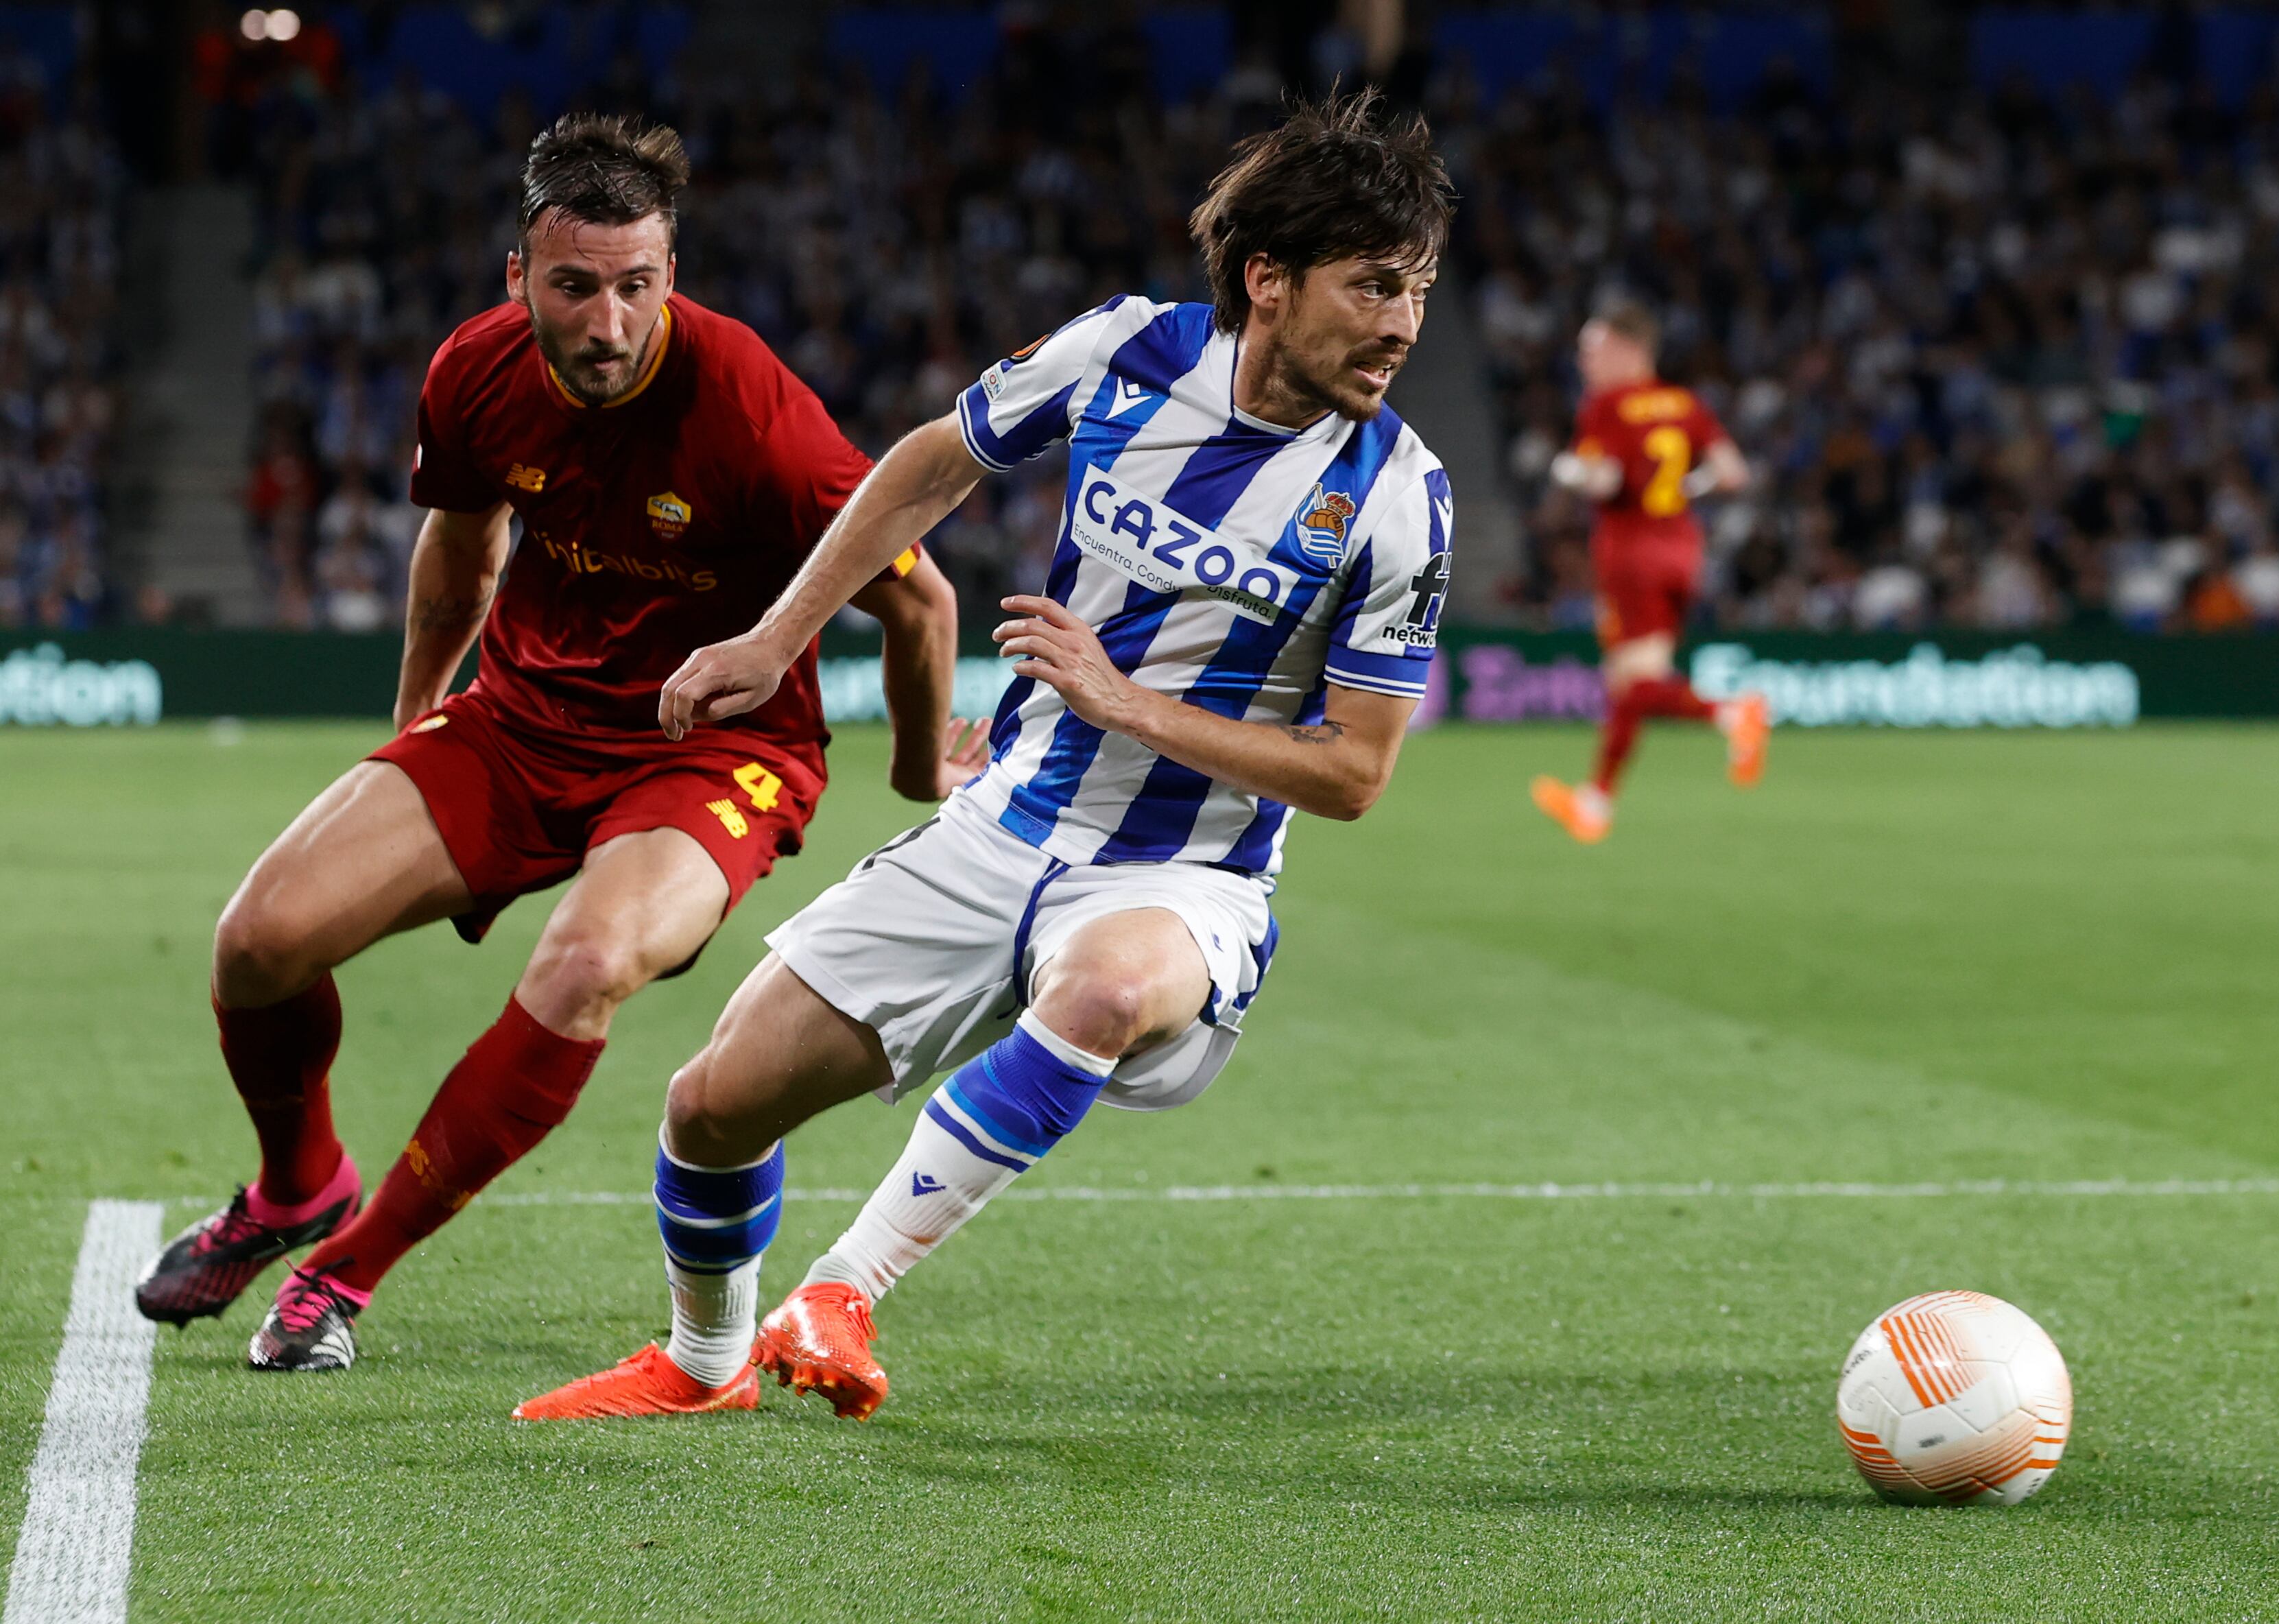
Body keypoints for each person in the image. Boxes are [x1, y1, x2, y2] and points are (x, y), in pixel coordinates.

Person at [515, 90, 1456, 1422]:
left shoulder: (1398, 499)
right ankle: (702, 1361)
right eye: (1371, 287)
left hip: (1184, 872)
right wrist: (777, 637)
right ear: (1267, 278)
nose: (1401, 324)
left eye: (1414, 291)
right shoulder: (1126, 356)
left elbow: (1354, 771)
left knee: (1107, 983)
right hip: (1001, 824)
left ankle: (840, 1286)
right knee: (713, 1104)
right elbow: (926, 467)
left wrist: (1125, 704)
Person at [134, 114, 966, 1374]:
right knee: (258, 943)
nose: (609, 323)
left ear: (669, 278)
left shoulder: (751, 411)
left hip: (710, 754)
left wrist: (916, 773)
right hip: (523, 721)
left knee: (585, 963)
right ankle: (297, 1184)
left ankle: (341, 1272)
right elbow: (459, 550)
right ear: (518, 277)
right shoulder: (473, 370)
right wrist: (414, 729)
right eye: (576, 286)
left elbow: (921, 598)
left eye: (637, 287)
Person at [1530, 298, 1767, 844]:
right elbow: (1732, 473)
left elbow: (1606, 483)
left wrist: (1567, 470)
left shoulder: (1607, 405)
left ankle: (1731, 712)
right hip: (1682, 549)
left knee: (1636, 683)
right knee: (1626, 684)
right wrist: (1688, 487)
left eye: (1592, 349)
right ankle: (1596, 801)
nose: (1584, 361)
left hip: (1631, 553)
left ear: (1627, 349)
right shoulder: (1683, 403)